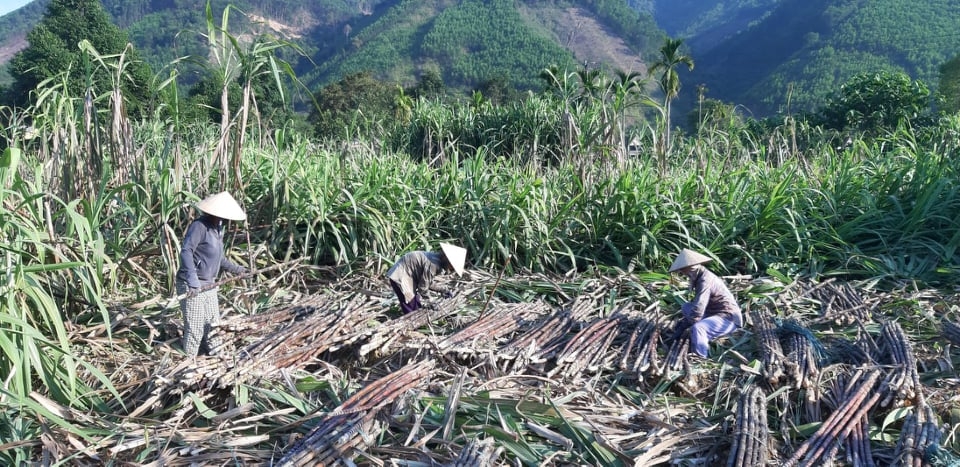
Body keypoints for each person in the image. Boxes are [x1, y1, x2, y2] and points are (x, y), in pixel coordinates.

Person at [175, 191, 248, 357]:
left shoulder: (217, 229)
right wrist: (192, 281)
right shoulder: (199, 226)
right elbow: (186, 251)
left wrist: (238, 270)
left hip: (209, 284)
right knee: (195, 326)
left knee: (214, 324)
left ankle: (216, 357)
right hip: (191, 283)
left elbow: (219, 259)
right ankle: (189, 360)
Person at [668, 248, 742, 358]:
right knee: (686, 307)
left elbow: (699, 307)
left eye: (685, 272)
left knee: (698, 328)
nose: (685, 275)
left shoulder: (705, 280)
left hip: (728, 318)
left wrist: (684, 326)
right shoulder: (700, 276)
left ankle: (700, 357)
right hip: (713, 314)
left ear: (691, 268)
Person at [386, 243, 467, 314]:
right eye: (451, 266)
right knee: (411, 307)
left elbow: (428, 283)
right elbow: (423, 288)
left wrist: (444, 289)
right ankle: (409, 328)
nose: (451, 268)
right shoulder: (433, 264)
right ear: (447, 260)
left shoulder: (435, 259)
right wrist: (431, 302)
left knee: (416, 304)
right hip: (401, 276)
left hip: (406, 276)